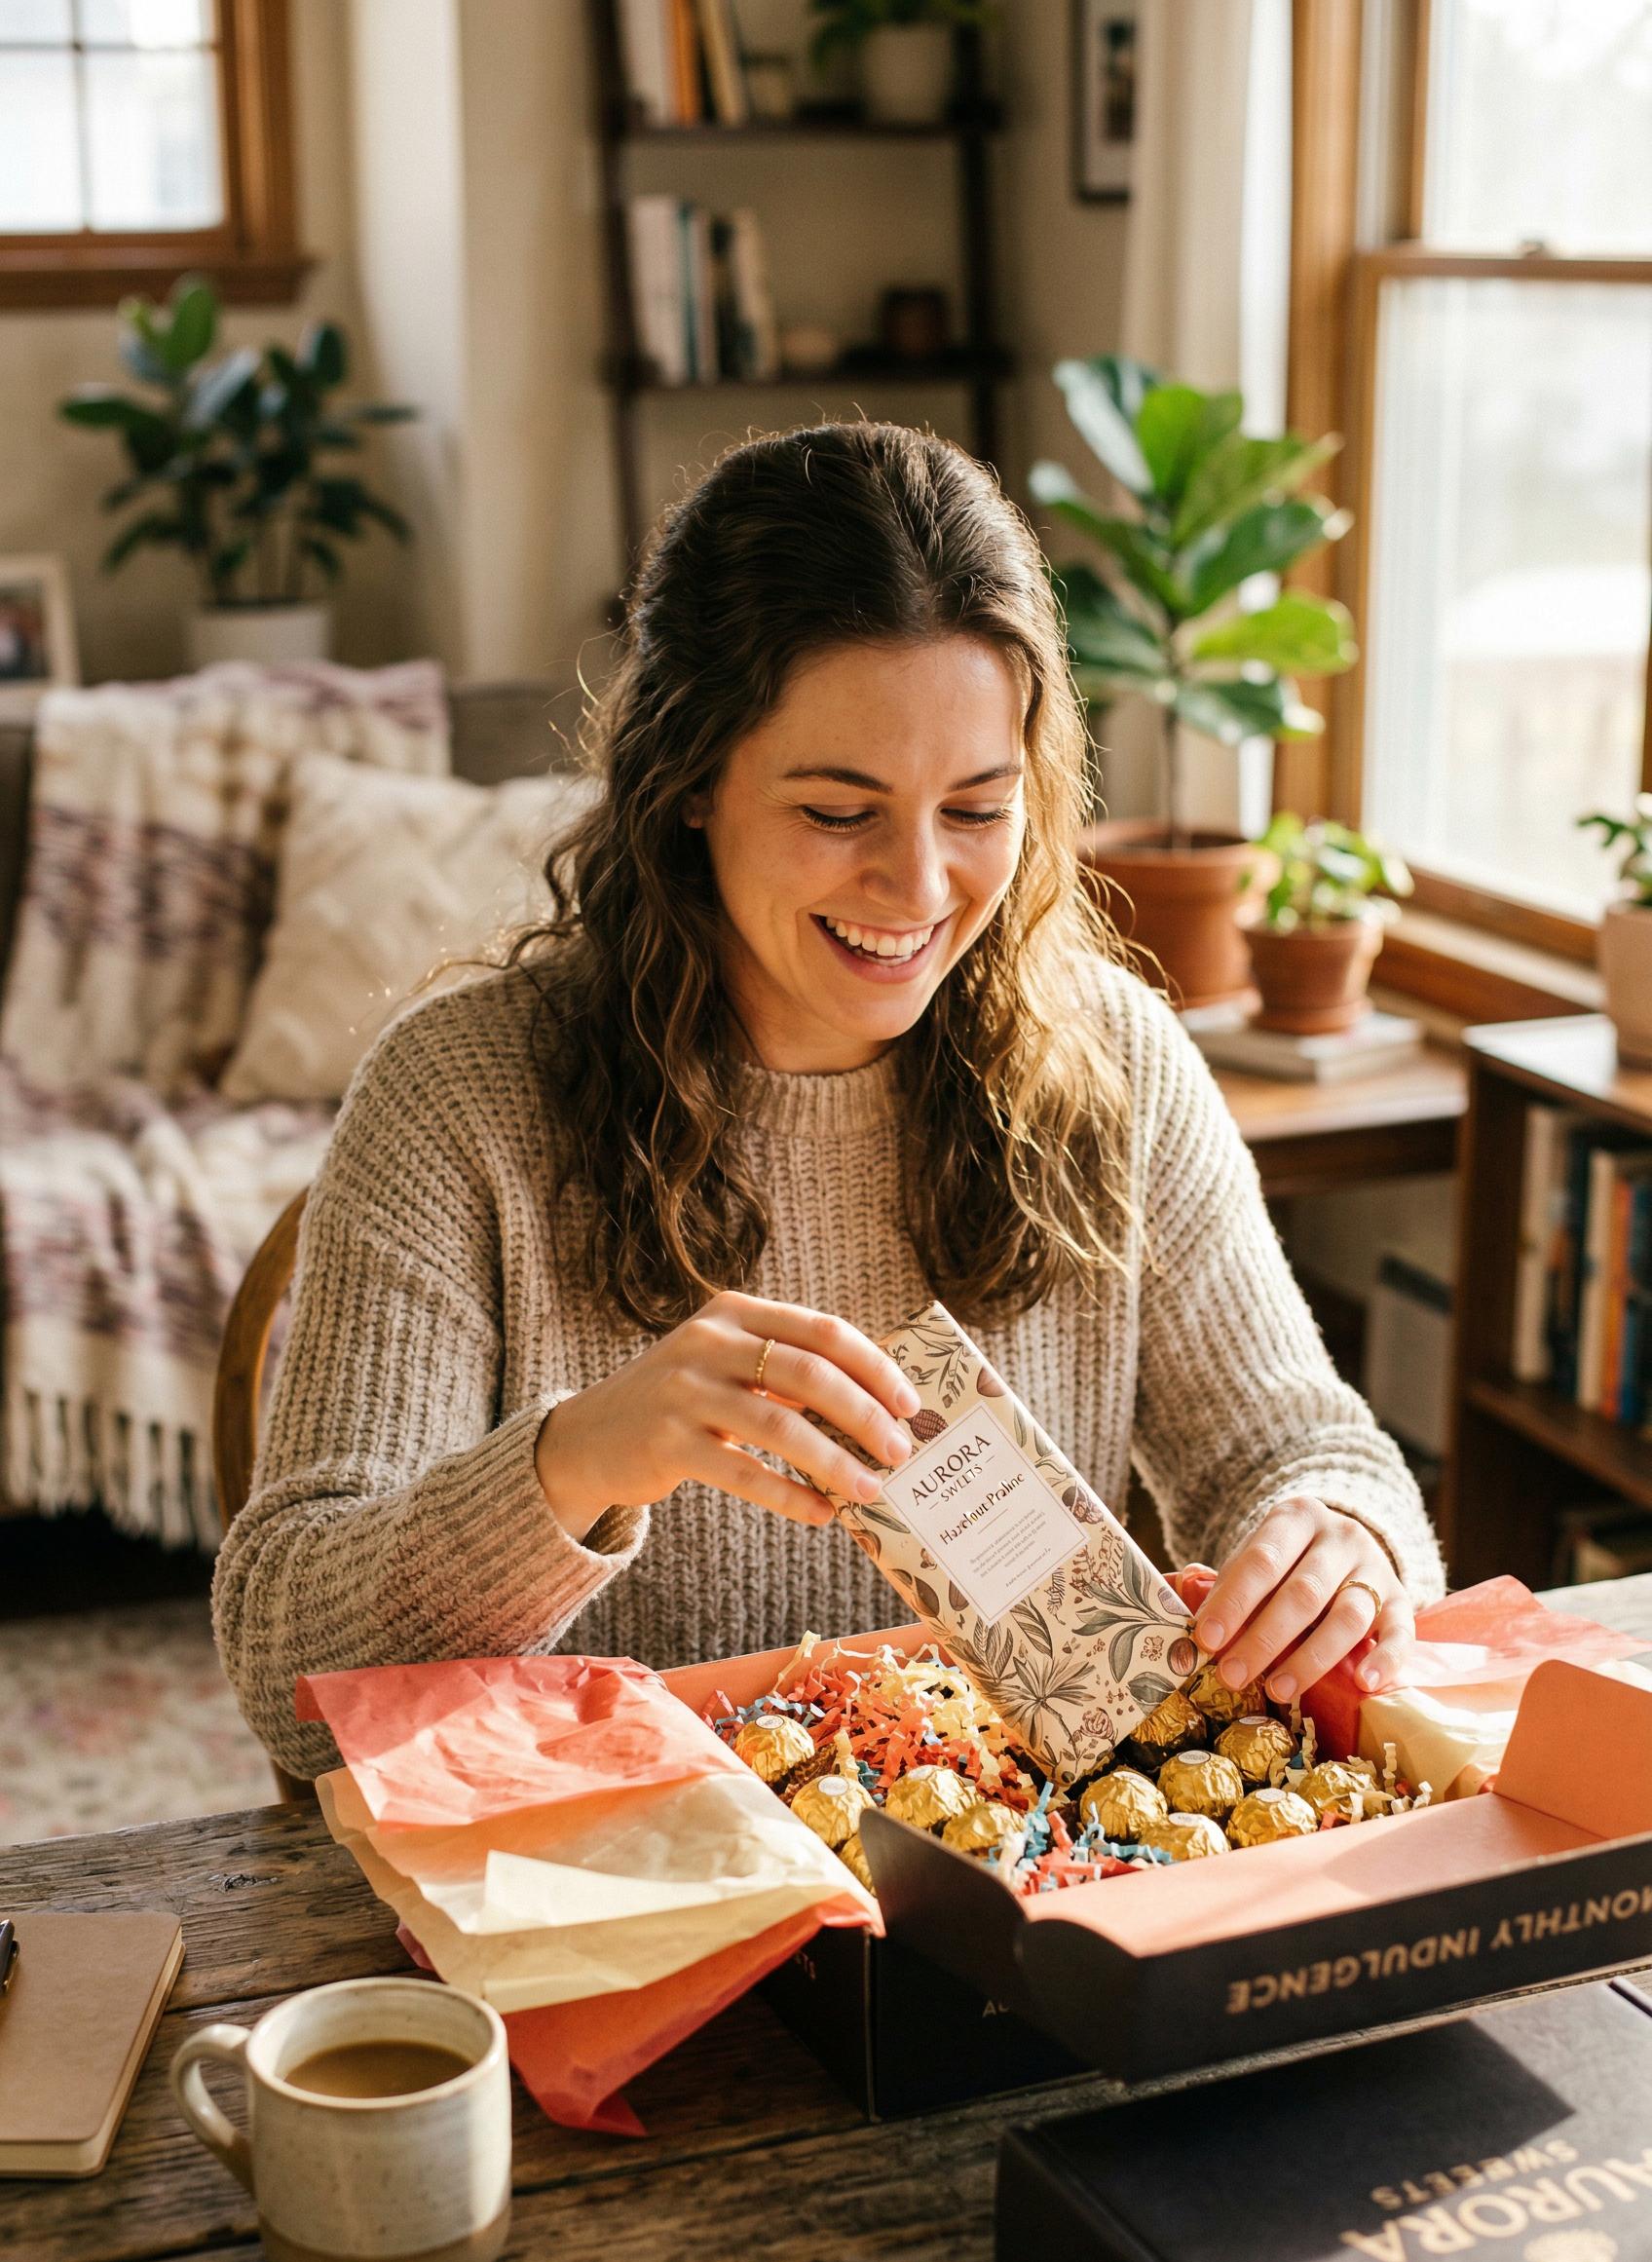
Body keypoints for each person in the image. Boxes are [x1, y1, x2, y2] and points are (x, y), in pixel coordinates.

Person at [215, 423, 1443, 1781]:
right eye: (839, 812)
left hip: (1034, 1913)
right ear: (686, 786)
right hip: (626, 1913)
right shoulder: (460, 1099)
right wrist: (577, 1462)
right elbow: (288, 1672)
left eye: (976, 811)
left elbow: (1303, 1447)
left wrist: (1341, 1535)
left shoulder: (1120, 1064)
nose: (918, 890)